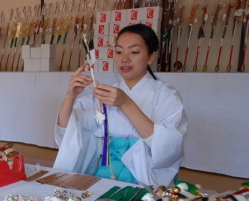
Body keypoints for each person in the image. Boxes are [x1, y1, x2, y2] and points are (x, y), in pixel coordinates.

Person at [53, 24, 188, 187]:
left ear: (151, 56)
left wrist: (126, 104)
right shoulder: (107, 93)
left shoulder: (166, 95)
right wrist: (71, 96)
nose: (124, 59)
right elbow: (69, 133)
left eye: (134, 52)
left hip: (143, 176)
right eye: (119, 51)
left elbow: (168, 147)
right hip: (105, 171)